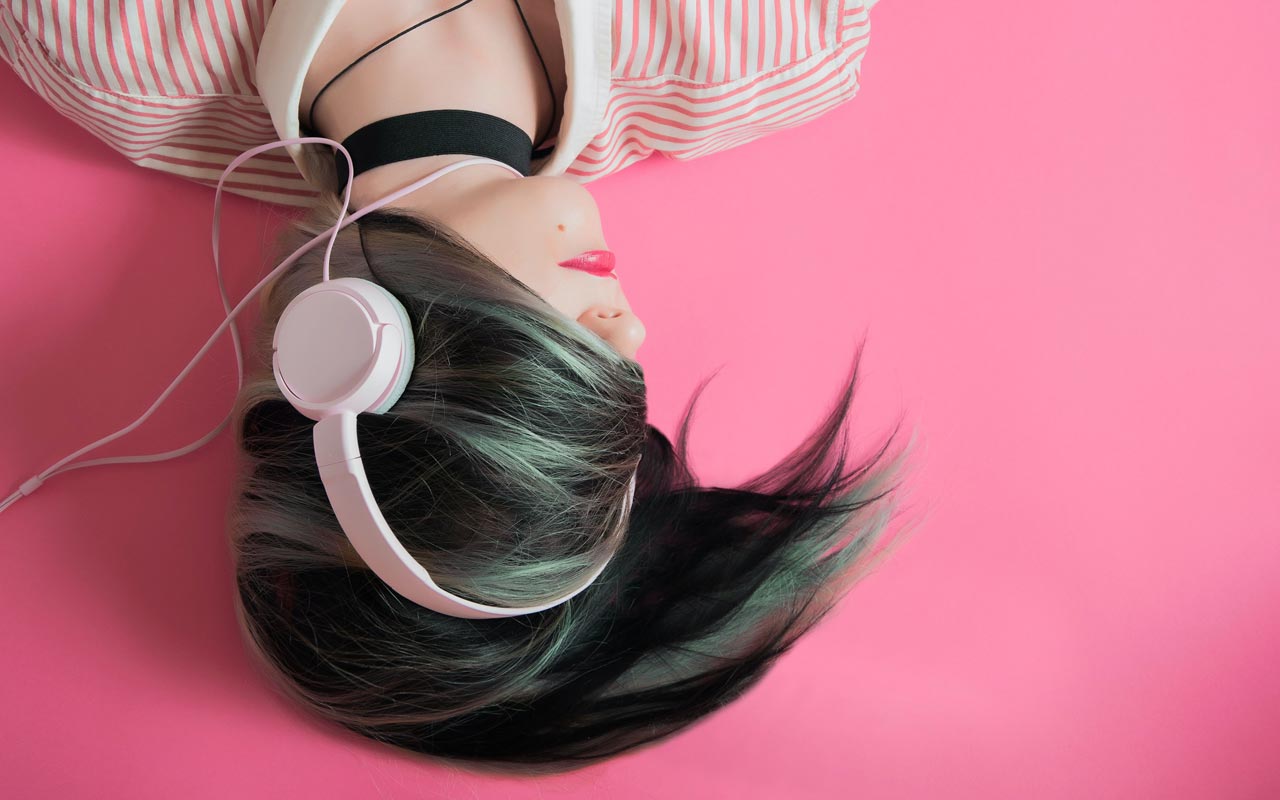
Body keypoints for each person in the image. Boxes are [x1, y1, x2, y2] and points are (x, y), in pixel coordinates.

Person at [1, 0, 913, 774]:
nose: (631, 334)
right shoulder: (771, 38)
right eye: (622, 402)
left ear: (353, 350)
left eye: (563, 371)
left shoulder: (104, 41)